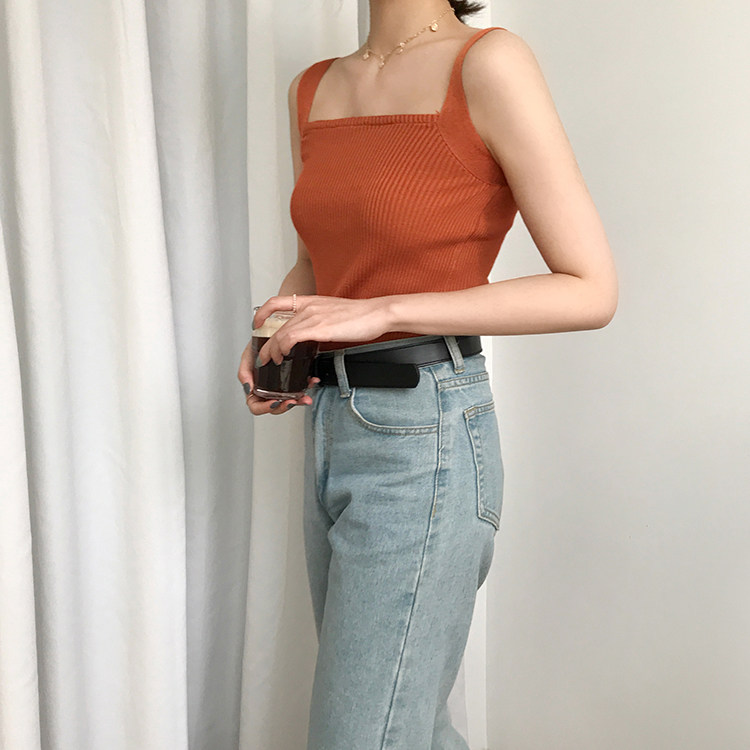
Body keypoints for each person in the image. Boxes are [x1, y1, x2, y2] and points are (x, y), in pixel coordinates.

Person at [238, 0, 618, 747]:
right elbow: (318, 262)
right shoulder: (312, 88)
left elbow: (589, 288)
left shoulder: (489, 63)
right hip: (328, 423)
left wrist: (384, 311)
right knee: (401, 725)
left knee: (366, 733)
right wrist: (274, 333)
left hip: (427, 433)